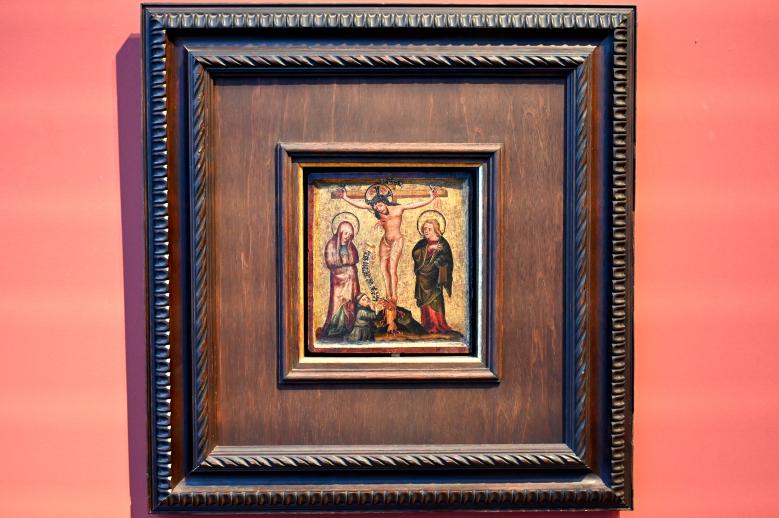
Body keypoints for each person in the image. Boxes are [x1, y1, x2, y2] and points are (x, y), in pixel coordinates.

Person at [334, 185, 439, 332]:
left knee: (392, 268)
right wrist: (345, 197)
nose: (378, 209)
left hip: (397, 240)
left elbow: (415, 204)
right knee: (383, 268)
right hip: (385, 241)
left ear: (385, 202)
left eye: (380, 205)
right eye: (376, 207)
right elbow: (361, 205)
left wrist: (431, 198)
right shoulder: (377, 211)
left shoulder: (398, 209)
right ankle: (388, 294)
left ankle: (393, 296)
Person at [411, 219, 453, 333]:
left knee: (435, 299)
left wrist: (438, 261)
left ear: (436, 230)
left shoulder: (443, 243)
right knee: (424, 301)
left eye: (429, 229)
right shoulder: (422, 243)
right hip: (422, 277)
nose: (426, 231)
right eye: (424, 228)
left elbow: (447, 258)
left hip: (435, 277)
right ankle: (427, 324)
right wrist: (429, 248)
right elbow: (415, 253)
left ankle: (437, 324)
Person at [321, 221, 360, 338]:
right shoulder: (331, 245)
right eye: (345, 233)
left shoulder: (351, 246)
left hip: (351, 281)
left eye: (350, 234)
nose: (347, 236)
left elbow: (355, 259)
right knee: (337, 302)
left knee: (350, 301)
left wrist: (349, 267)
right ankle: (335, 327)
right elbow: (330, 262)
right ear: (340, 232)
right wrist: (345, 267)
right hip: (338, 280)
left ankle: (349, 326)